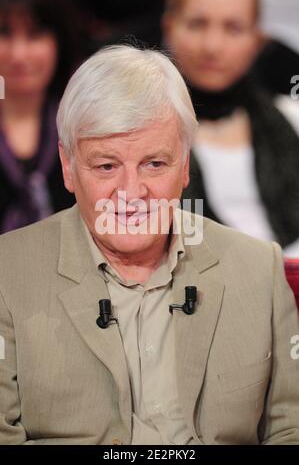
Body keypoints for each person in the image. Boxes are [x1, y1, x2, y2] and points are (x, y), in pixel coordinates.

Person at [0, 45, 298, 445]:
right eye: (106, 166)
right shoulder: (7, 273)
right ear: (69, 167)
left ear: (186, 165)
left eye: (154, 164)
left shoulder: (258, 268)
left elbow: (290, 428)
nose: (131, 192)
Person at [162, 0, 299, 257]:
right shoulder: (135, 133)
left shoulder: (292, 120)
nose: (212, 46)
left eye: (233, 28)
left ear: (257, 40)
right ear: (169, 26)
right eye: (197, 24)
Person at [0, 0, 76, 233]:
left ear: (59, 40)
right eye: (4, 33)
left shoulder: (87, 125)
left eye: (35, 35)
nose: (19, 54)